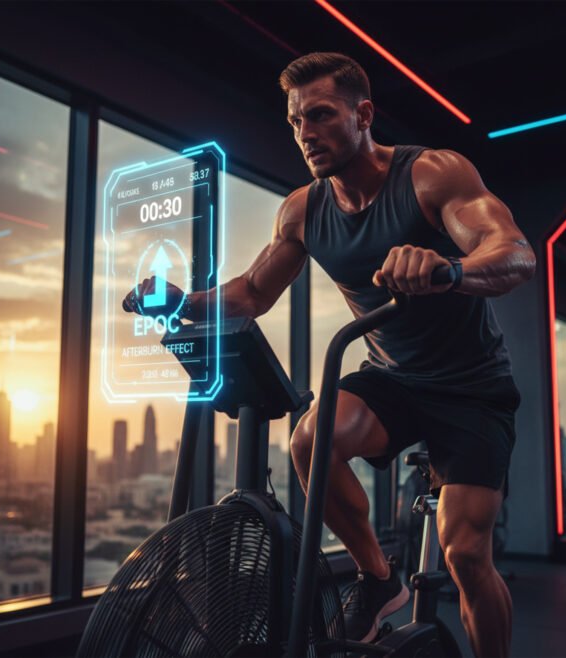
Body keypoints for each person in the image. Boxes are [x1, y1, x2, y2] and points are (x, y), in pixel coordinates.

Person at [124, 52, 535, 658]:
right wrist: (185, 300)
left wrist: (447, 268)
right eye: (296, 122)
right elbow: (253, 292)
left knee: (466, 554)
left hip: (472, 387)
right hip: (394, 378)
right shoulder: (303, 209)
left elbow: (515, 253)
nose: (306, 133)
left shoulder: (431, 176)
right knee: (311, 440)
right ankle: (378, 578)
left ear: (363, 114)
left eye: (320, 115)